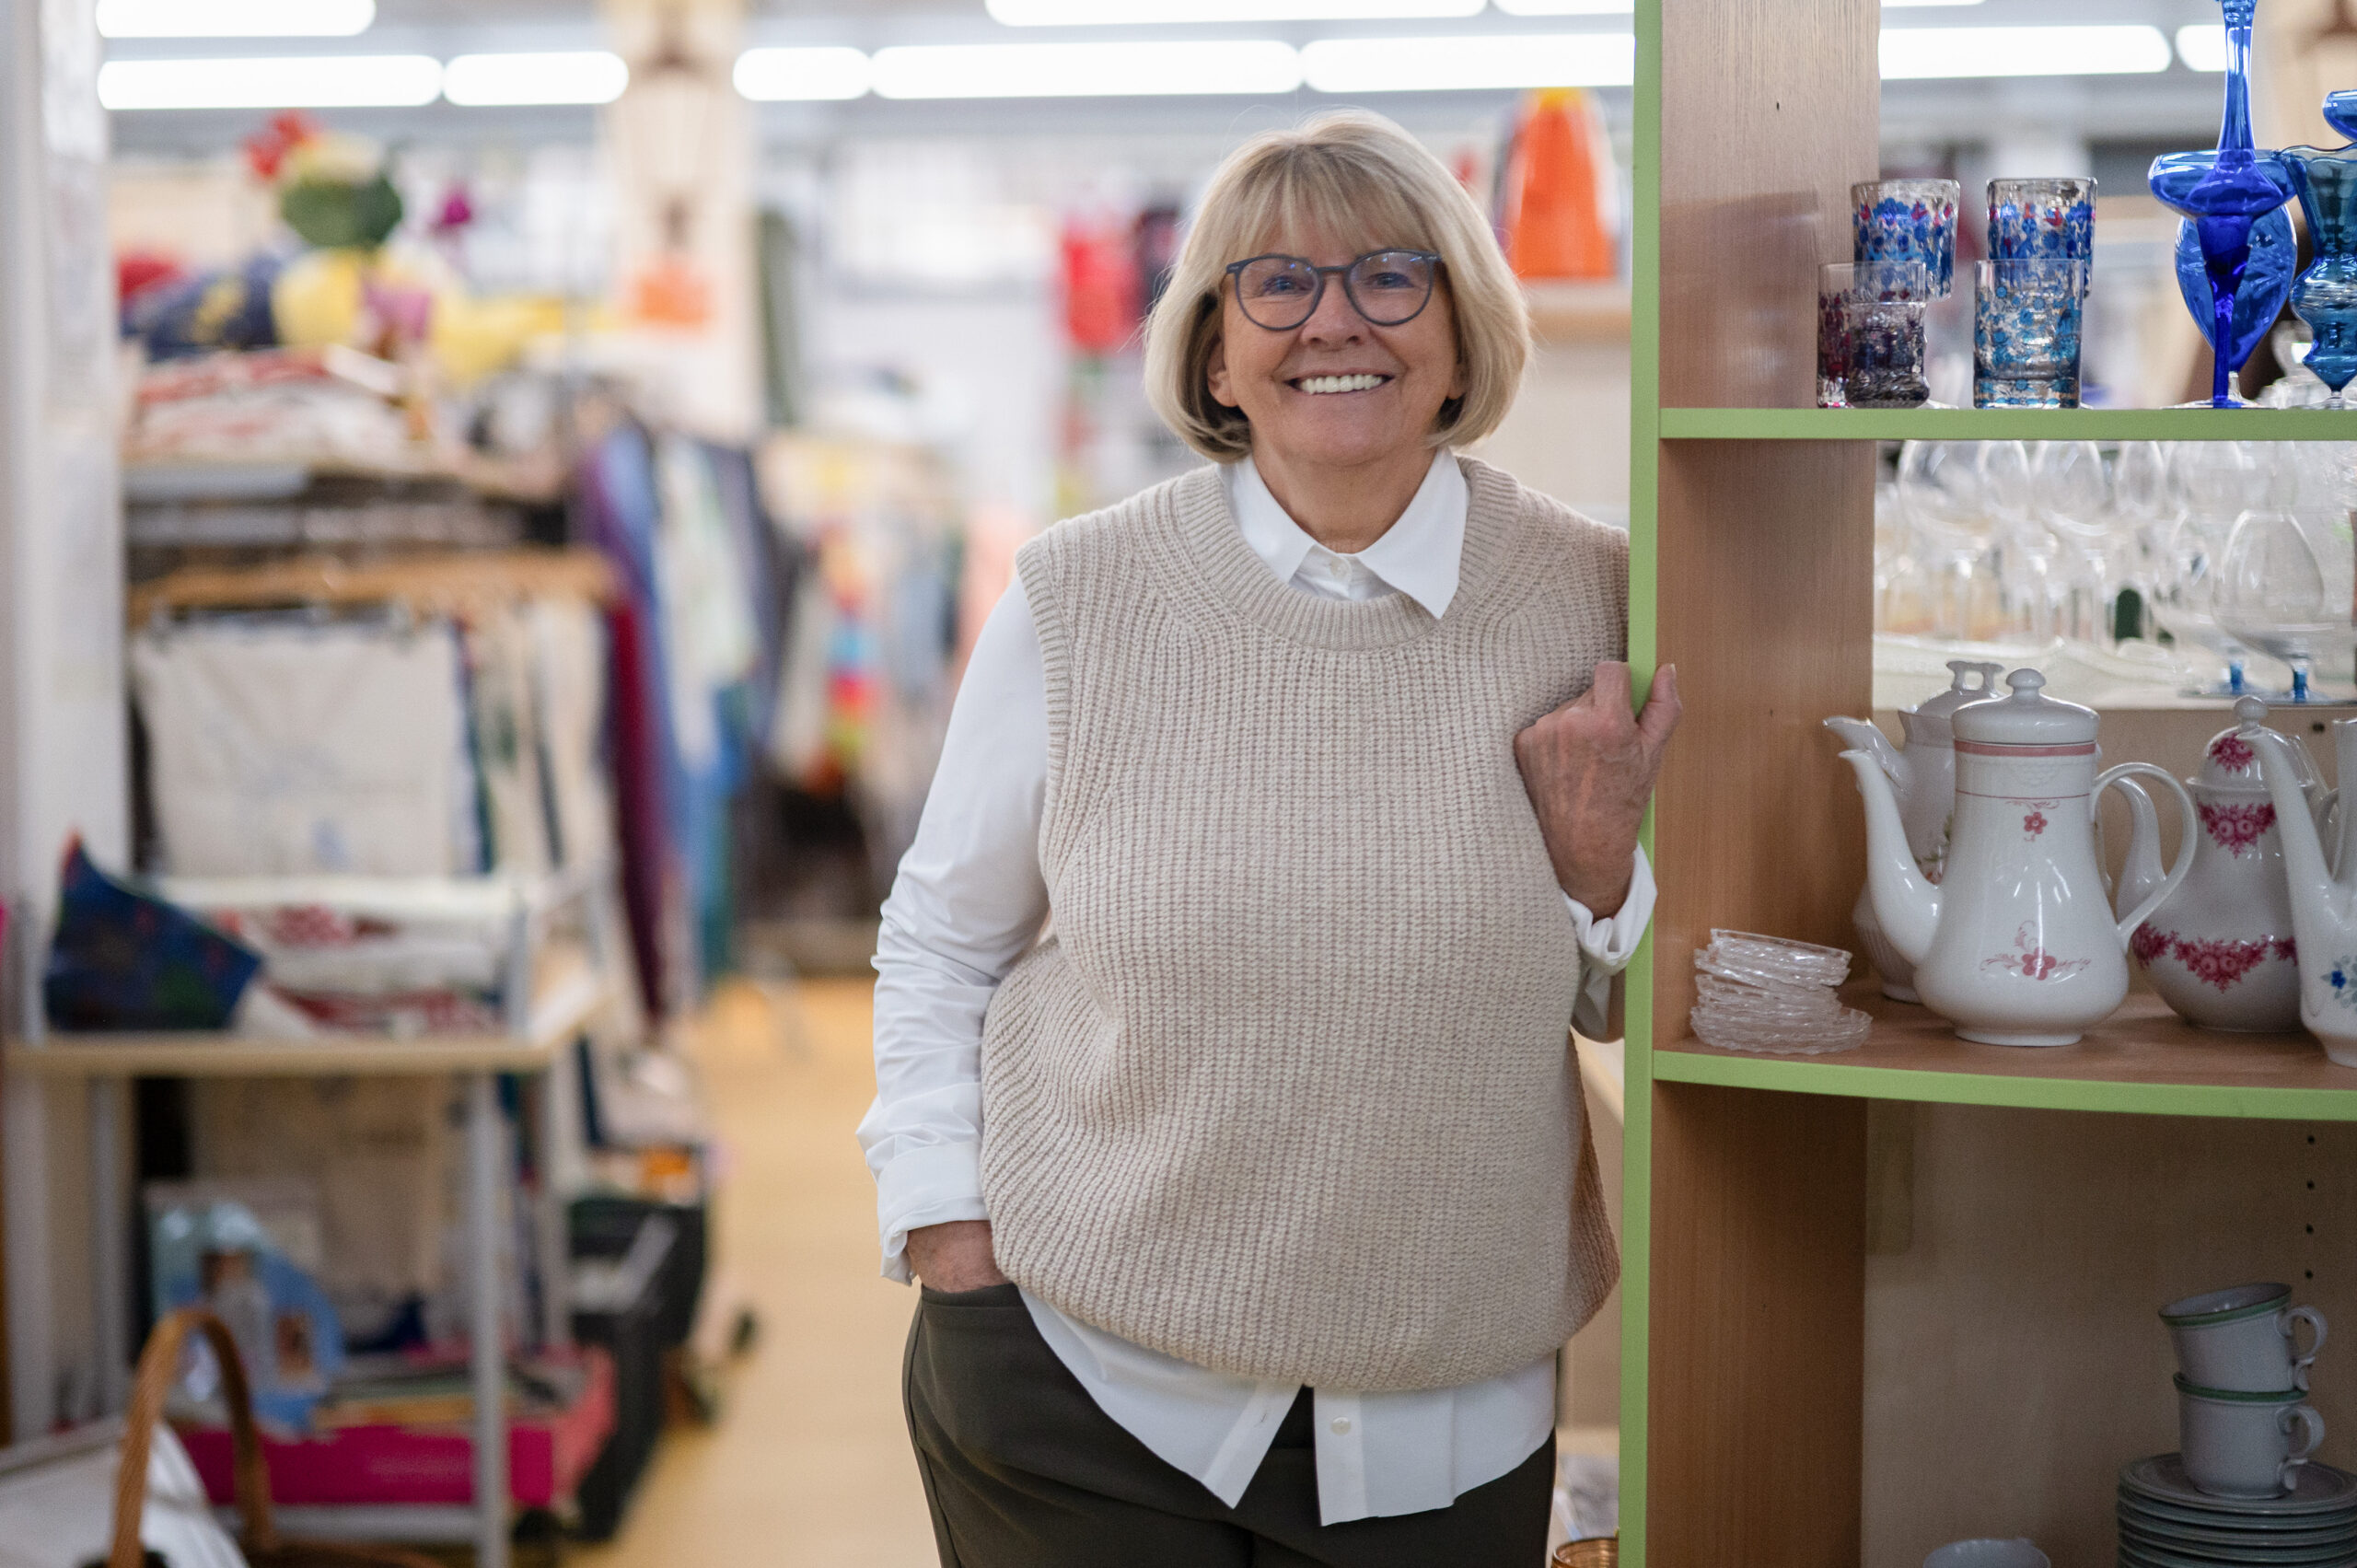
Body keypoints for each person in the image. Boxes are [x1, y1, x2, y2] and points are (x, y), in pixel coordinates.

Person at [859, 108, 1680, 1566]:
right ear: (1214, 350)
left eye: (1390, 276)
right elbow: (941, 935)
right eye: (1276, 285)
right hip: (1081, 1394)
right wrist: (945, 1229)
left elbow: (1636, 1009)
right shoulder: (1080, 599)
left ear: (1463, 322)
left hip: (1451, 1415)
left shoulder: (1593, 601)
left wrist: (1603, 871)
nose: (1334, 323)